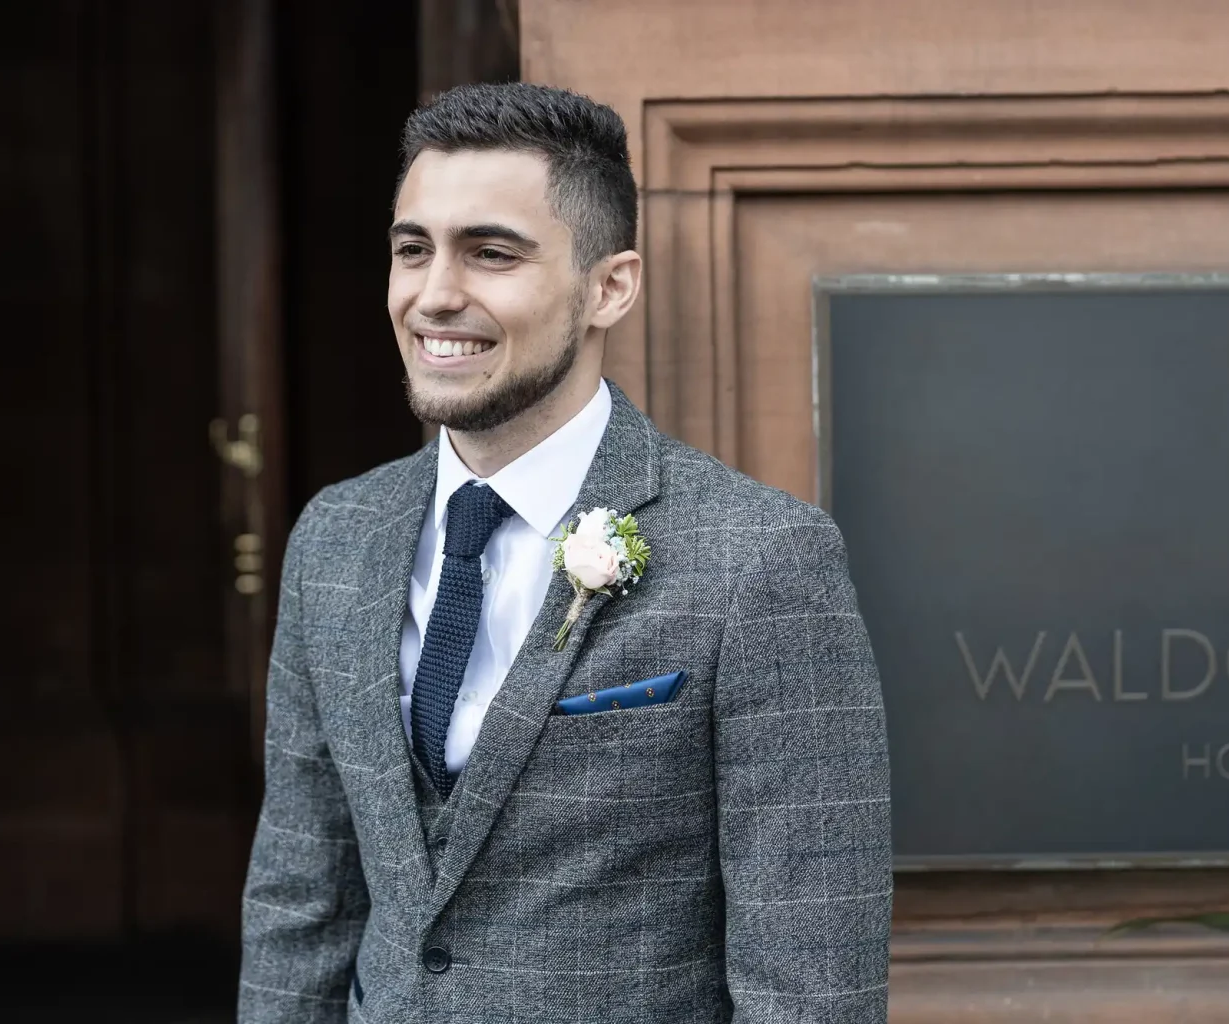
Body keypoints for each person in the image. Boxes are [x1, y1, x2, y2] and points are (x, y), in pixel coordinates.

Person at [238, 81, 891, 1024]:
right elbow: (300, 899)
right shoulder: (334, 539)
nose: (435, 295)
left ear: (608, 286)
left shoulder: (761, 562)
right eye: (411, 249)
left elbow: (811, 975)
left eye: (491, 254)